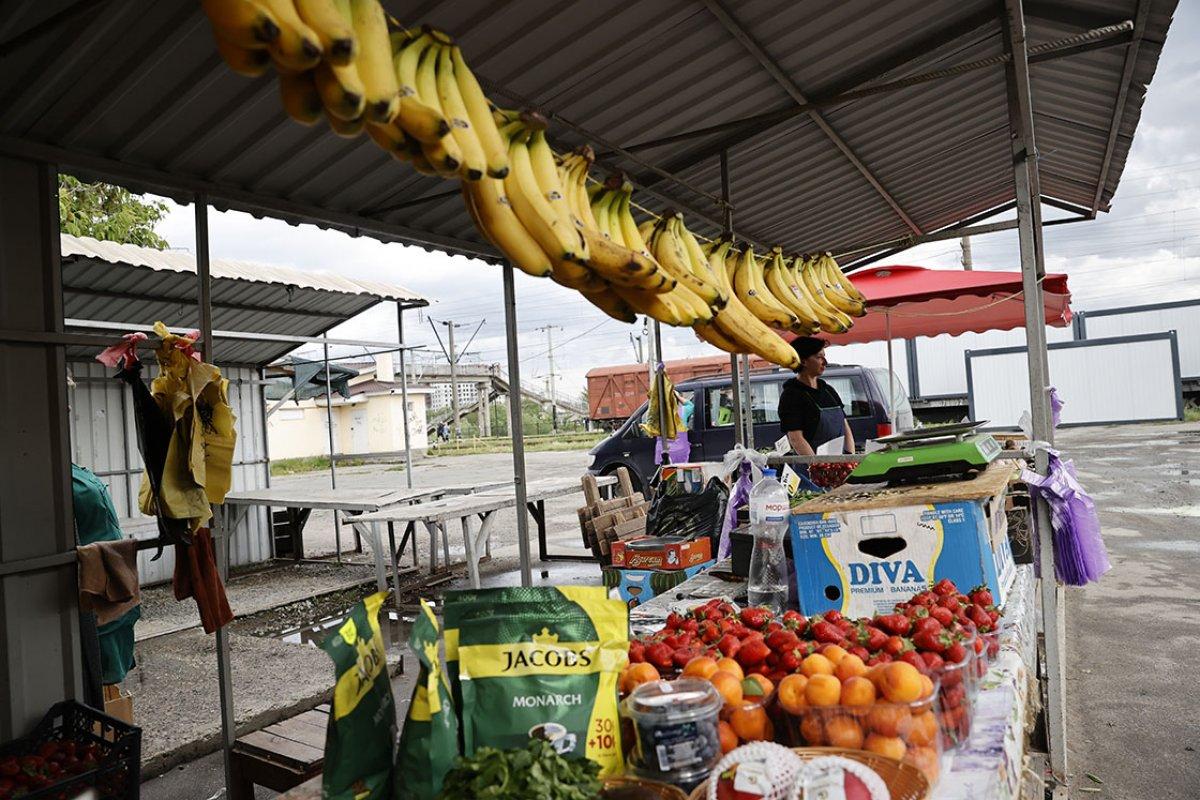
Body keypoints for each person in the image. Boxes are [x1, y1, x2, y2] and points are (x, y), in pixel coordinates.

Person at [777, 337, 855, 456]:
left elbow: (845, 426)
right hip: (811, 469)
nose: (825, 362)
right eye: (819, 357)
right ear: (803, 361)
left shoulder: (828, 390)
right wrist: (817, 467)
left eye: (824, 356)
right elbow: (796, 438)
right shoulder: (791, 395)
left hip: (840, 464)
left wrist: (850, 458)